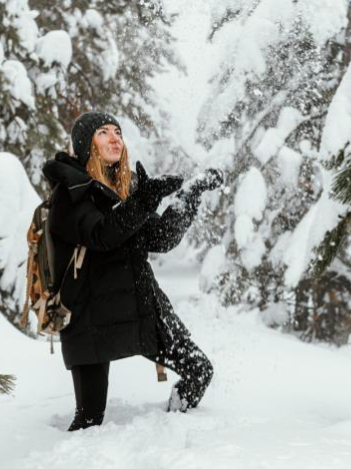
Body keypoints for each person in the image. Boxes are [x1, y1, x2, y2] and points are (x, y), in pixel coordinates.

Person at [42, 111, 223, 431]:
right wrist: (144, 199)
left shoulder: (123, 190)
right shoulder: (69, 193)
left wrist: (190, 194)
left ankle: (173, 436)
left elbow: (160, 238)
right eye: (103, 132)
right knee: (89, 420)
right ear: (86, 143)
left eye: (118, 132)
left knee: (199, 372)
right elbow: (102, 235)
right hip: (90, 316)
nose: (115, 138)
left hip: (141, 307)